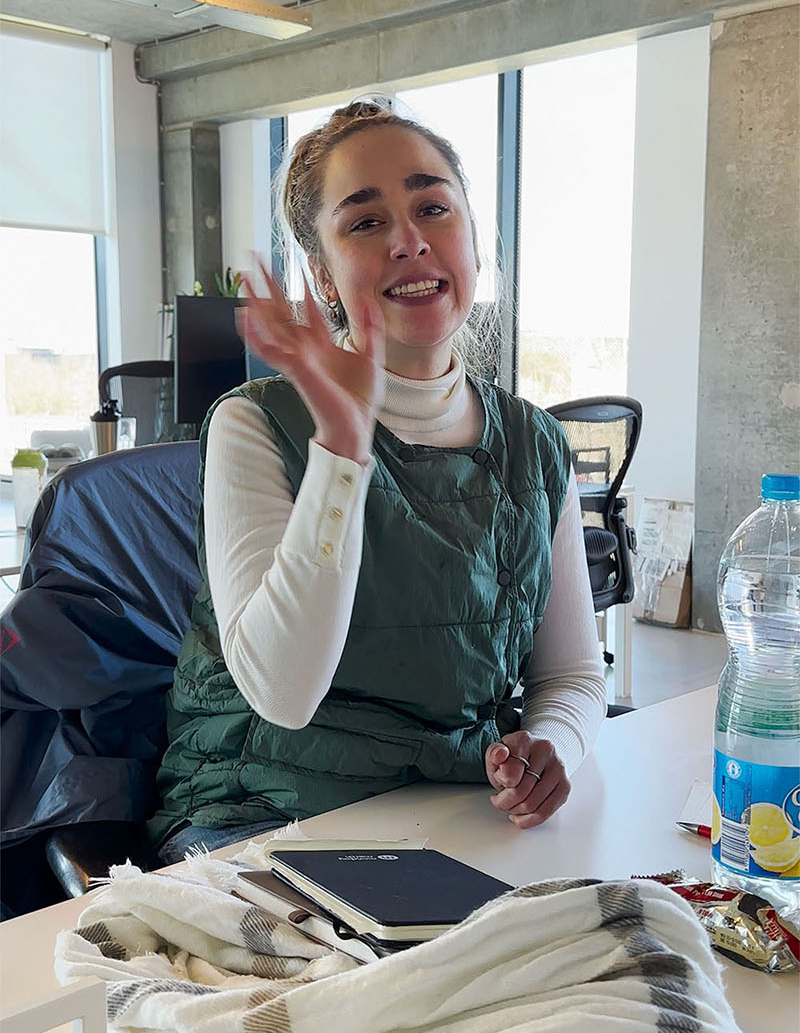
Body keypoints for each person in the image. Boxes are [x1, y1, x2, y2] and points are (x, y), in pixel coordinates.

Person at [149, 100, 606, 862]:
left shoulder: (535, 440)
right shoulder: (253, 422)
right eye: (365, 222)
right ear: (322, 274)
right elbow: (283, 694)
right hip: (263, 808)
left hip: (453, 807)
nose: (409, 241)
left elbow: (571, 674)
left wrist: (551, 747)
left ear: (472, 242)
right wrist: (342, 446)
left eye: (433, 207)